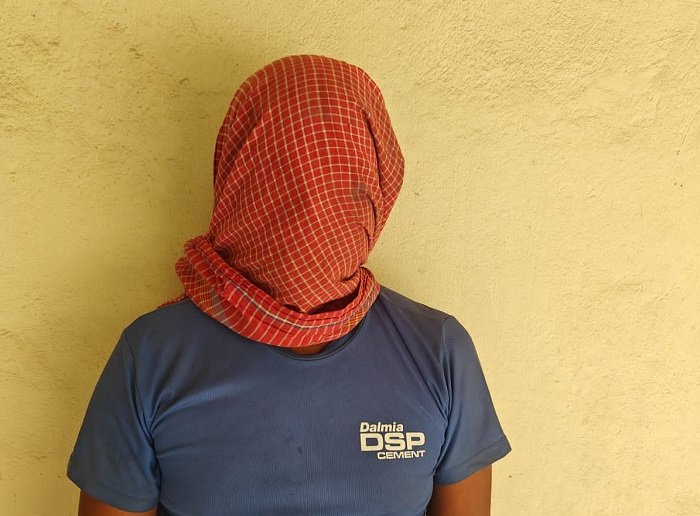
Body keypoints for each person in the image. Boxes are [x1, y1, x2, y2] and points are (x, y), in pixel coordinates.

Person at [67, 54, 511, 516]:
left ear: (379, 187)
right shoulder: (152, 356)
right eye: (283, 179)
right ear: (238, 182)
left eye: (340, 179)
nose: (312, 209)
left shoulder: (438, 352)